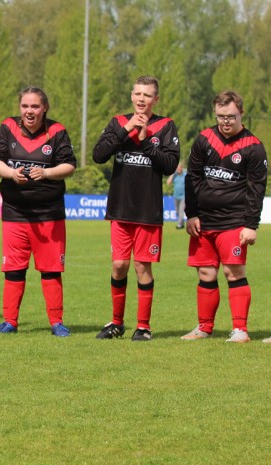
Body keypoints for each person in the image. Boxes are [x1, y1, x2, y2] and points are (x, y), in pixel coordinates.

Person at [92, 75, 180, 341]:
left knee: (142, 267)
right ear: (132, 96)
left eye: (147, 95)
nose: (142, 99)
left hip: (147, 211)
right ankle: (116, 323)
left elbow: (169, 165)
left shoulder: (165, 126)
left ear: (156, 99)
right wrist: (126, 129)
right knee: (119, 265)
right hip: (119, 208)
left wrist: (144, 141)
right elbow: (99, 155)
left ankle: (143, 326)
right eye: (138, 94)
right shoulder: (119, 122)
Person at [180, 90, 267, 343]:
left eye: (230, 116)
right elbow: (192, 178)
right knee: (205, 274)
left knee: (233, 273)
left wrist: (251, 225)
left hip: (234, 222)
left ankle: (240, 330)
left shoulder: (253, 147)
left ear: (241, 113)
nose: (225, 121)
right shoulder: (204, 139)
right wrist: (192, 215)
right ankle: (204, 327)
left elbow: (256, 189)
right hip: (203, 222)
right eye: (220, 116)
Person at [0, 87, 77, 336]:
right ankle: (10, 321)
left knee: (50, 270)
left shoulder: (57, 131)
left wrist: (46, 173)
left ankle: (56, 322)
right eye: (25, 106)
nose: (29, 111)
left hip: (49, 213)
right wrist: (10, 173)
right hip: (15, 212)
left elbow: (70, 165)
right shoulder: (7, 127)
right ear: (20, 108)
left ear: (44, 108)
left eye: (35, 106)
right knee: (14, 270)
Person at [167, 163, 186, 229]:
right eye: (177, 168)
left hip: (183, 196)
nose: (178, 169)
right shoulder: (175, 175)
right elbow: (168, 182)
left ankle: (179, 225)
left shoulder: (185, 175)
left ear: (181, 168)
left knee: (181, 210)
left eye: (179, 168)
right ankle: (182, 223)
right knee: (177, 211)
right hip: (176, 196)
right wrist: (173, 174)